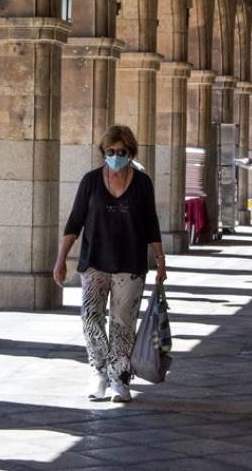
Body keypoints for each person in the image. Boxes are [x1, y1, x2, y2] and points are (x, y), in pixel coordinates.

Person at [54, 125, 165, 403]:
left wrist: (161, 262)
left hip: (130, 264)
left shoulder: (142, 183)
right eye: (110, 151)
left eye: (121, 152)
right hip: (94, 263)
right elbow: (74, 221)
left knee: (123, 323)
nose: (115, 156)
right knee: (91, 317)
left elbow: (151, 225)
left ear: (131, 153)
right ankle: (99, 371)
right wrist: (60, 260)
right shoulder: (90, 181)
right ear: (103, 152)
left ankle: (120, 378)